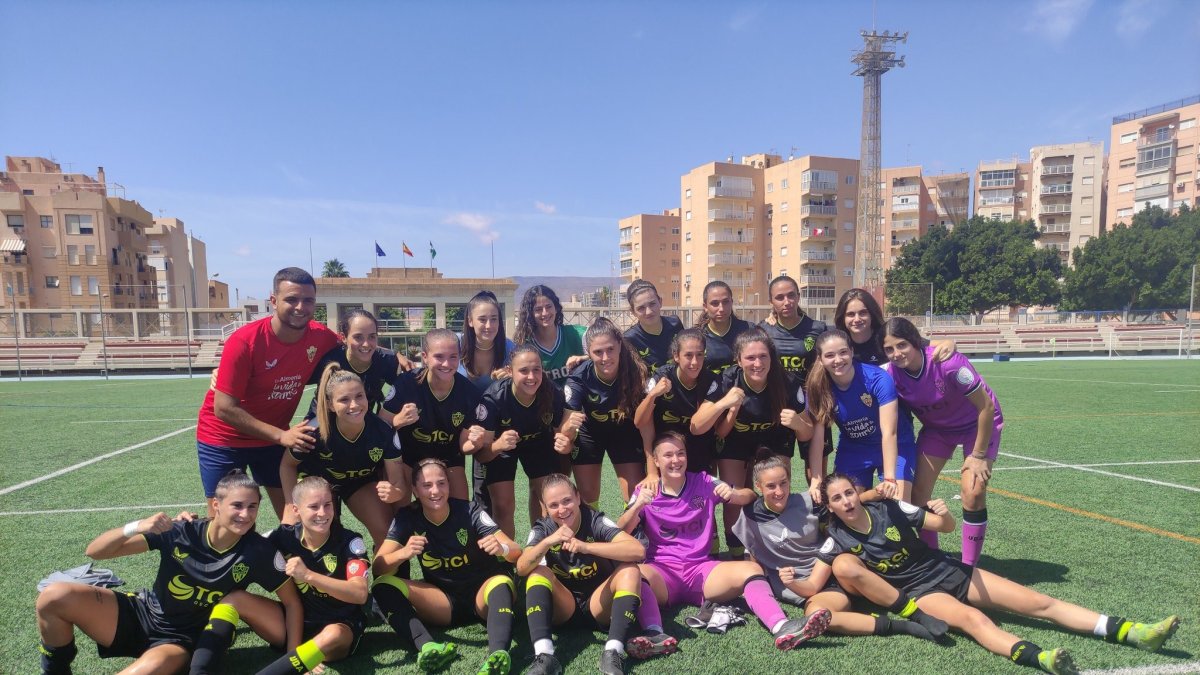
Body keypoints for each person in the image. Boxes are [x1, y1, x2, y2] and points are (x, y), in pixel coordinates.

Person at [818, 473, 1180, 674]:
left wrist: (944, 512)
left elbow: (945, 527)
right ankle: (1042, 658)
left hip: (947, 569)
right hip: (923, 593)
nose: (846, 501)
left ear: (858, 493)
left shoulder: (890, 508)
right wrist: (794, 585)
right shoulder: (836, 539)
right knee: (976, 621)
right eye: (837, 498)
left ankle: (1134, 632)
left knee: (1039, 602)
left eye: (849, 493)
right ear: (830, 506)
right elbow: (816, 580)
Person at [35, 471, 300, 675]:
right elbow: (95, 551)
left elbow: (291, 602)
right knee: (54, 596)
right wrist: (138, 526)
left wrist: (293, 659)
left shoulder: (258, 552)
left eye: (252, 506)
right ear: (216, 505)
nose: (245, 514)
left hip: (180, 640)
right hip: (143, 613)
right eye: (237, 505)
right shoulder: (180, 531)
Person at [617, 432, 831, 656]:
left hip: (701, 571)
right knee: (635, 574)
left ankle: (781, 626)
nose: (676, 460)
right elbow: (620, 531)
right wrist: (637, 506)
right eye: (668, 455)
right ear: (656, 460)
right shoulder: (645, 491)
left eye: (681, 453)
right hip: (662, 572)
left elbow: (750, 495)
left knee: (751, 569)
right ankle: (654, 634)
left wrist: (733, 494)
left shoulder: (703, 481)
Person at [733, 454, 944, 642]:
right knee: (817, 615)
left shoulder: (808, 502)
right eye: (771, 486)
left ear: (790, 481)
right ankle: (901, 626)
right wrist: (771, 584)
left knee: (845, 572)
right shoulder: (750, 514)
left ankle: (902, 606)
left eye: (784, 483)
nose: (779, 491)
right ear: (759, 486)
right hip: (802, 587)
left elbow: (844, 504)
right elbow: (753, 553)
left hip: (831, 575)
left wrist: (875, 493)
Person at [196, 267, 340, 517]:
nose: (300, 307)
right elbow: (224, 408)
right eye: (291, 299)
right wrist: (282, 436)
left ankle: (289, 544)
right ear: (273, 300)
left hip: (273, 439)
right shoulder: (244, 341)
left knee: (293, 513)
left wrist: (395, 358)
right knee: (223, 521)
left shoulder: (321, 337)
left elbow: (358, 347)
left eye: (308, 300)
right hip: (224, 439)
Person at [199, 476, 370, 675]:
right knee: (235, 599)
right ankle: (204, 664)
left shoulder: (349, 542)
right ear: (296, 510)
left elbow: (360, 594)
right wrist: (193, 525)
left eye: (327, 505)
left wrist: (308, 575)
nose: (322, 513)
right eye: (313, 507)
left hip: (340, 625)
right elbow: (242, 542)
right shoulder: (282, 537)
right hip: (293, 624)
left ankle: (295, 662)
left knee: (334, 633)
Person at [371, 459, 522, 675]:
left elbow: (516, 551)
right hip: (443, 601)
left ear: (449, 485)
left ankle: (498, 654)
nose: (435, 491)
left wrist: (502, 549)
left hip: (483, 595)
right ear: (415, 490)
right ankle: (428, 647)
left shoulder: (469, 510)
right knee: (382, 584)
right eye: (427, 485)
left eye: (441, 483)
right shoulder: (407, 516)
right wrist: (402, 553)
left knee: (501, 582)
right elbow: (378, 567)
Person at [882, 317, 1002, 565]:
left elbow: (987, 407)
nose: (896, 353)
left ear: (915, 341)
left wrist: (978, 456)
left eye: (902, 345)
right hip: (937, 430)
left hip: (976, 424)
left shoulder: (948, 363)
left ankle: (969, 567)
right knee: (918, 494)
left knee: (973, 492)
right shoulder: (891, 374)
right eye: (889, 349)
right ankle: (933, 560)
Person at [691, 328, 809, 558]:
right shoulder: (727, 379)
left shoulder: (787, 381)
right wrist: (723, 403)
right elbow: (696, 426)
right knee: (732, 495)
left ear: (771, 357)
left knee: (777, 489)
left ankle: (779, 545)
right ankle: (737, 553)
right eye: (750, 357)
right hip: (736, 440)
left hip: (775, 439)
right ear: (738, 360)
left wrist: (799, 424)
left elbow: (806, 434)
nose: (757, 363)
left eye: (763, 356)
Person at [517, 474, 648, 675]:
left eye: (567, 500)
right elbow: (521, 567)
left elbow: (637, 550)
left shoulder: (595, 520)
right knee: (537, 573)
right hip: (564, 607)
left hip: (599, 604)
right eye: (553, 505)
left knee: (630, 570)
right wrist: (548, 542)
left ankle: (613, 651)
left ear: (578, 497)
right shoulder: (543, 528)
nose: (562, 509)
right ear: (545, 507)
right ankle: (545, 656)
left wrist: (586, 547)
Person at [280, 363, 406, 553]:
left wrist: (395, 492)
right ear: (331, 405)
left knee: (387, 534)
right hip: (318, 485)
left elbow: (398, 483)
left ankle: (382, 571)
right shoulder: (314, 430)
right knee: (321, 536)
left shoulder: (383, 431)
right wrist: (291, 505)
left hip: (358, 483)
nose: (354, 405)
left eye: (359, 396)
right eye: (344, 400)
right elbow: (287, 465)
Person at [805, 329, 916, 503]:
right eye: (830, 355)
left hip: (896, 445)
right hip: (854, 448)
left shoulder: (877, 378)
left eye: (843, 352)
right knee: (845, 503)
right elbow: (818, 438)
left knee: (898, 503)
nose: (838, 360)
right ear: (820, 359)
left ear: (851, 351)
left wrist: (890, 478)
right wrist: (816, 479)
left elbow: (889, 433)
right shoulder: (818, 387)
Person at [474, 344, 570, 537]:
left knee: (547, 499)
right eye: (524, 371)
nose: (531, 377)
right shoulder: (494, 398)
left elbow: (561, 433)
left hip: (537, 443)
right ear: (510, 371)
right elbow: (481, 455)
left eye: (536, 370)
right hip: (501, 449)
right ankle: (507, 554)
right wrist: (498, 445)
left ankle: (542, 547)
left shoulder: (551, 392)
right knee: (503, 505)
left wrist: (566, 442)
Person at [379, 329, 486, 500]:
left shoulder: (469, 393)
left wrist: (475, 443)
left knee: (460, 507)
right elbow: (380, 426)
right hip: (408, 456)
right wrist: (398, 420)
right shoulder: (407, 384)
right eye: (439, 356)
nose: (446, 363)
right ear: (425, 357)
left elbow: (463, 446)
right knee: (400, 506)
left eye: (453, 356)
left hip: (448, 458)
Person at [562, 317, 649, 507]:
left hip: (624, 430)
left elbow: (646, 421)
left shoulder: (636, 371)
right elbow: (566, 425)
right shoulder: (578, 377)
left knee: (635, 494)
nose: (605, 358)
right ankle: (591, 527)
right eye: (597, 352)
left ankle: (632, 526)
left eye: (610, 349)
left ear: (620, 346)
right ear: (588, 352)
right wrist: (568, 431)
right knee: (588, 496)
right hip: (590, 433)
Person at [459, 290, 518, 518]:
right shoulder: (455, 344)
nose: (489, 325)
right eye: (482, 319)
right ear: (470, 321)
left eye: (494, 319)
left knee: (490, 495)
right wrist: (397, 357)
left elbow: (528, 376)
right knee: (456, 490)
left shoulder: (509, 348)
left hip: (494, 426)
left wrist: (513, 375)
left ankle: (494, 536)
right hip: (457, 423)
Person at [634, 328, 719, 483]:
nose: (695, 362)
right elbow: (640, 422)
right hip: (667, 452)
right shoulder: (661, 377)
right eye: (688, 355)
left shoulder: (711, 381)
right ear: (676, 356)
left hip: (699, 450)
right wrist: (653, 395)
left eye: (700, 354)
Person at [834, 288, 955, 366]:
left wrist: (949, 343)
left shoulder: (886, 336)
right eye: (850, 314)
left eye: (863, 313)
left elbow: (939, 344)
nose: (857, 319)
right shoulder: (838, 343)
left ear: (871, 314)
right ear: (842, 317)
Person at [512, 285, 588, 387]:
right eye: (538, 309)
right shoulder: (525, 346)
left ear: (556, 308)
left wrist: (584, 358)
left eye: (549, 307)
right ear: (530, 314)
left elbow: (606, 350)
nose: (545, 313)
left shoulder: (576, 334)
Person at [623, 279, 684, 373]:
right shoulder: (629, 340)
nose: (649, 312)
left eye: (652, 304)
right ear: (633, 311)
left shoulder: (675, 324)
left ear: (660, 302)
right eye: (641, 308)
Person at [694, 280, 751, 376]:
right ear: (705, 306)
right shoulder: (696, 337)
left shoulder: (748, 330)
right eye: (715, 303)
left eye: (725, 302)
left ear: (732, 302)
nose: (721, 309)